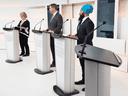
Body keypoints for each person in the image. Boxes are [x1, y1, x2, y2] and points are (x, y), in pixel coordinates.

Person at [68, 4, 94, 91]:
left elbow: (89, 37)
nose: (79, 12)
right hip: (80, 47)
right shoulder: (82, 21)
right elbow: (80, 34)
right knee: (82, 65)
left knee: (87, 67)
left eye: (80, 10)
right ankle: (84, 80)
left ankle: (90, 84)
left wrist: (77, 37)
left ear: (85, 12)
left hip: (86, 48)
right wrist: (73, 35)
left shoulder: (89, 22)